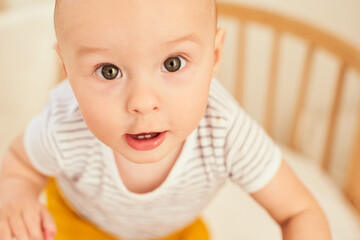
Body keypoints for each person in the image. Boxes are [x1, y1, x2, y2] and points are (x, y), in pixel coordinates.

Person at [0, 0, 331, 239]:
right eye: (108, 71)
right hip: (79, 223)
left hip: (176, 231)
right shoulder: (63, 124)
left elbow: (299, 212)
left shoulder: (225, 131)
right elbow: (20, 163)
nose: (143, 103)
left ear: (214, 56)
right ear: (67, 70)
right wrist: (17, 198)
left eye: (173, 63)